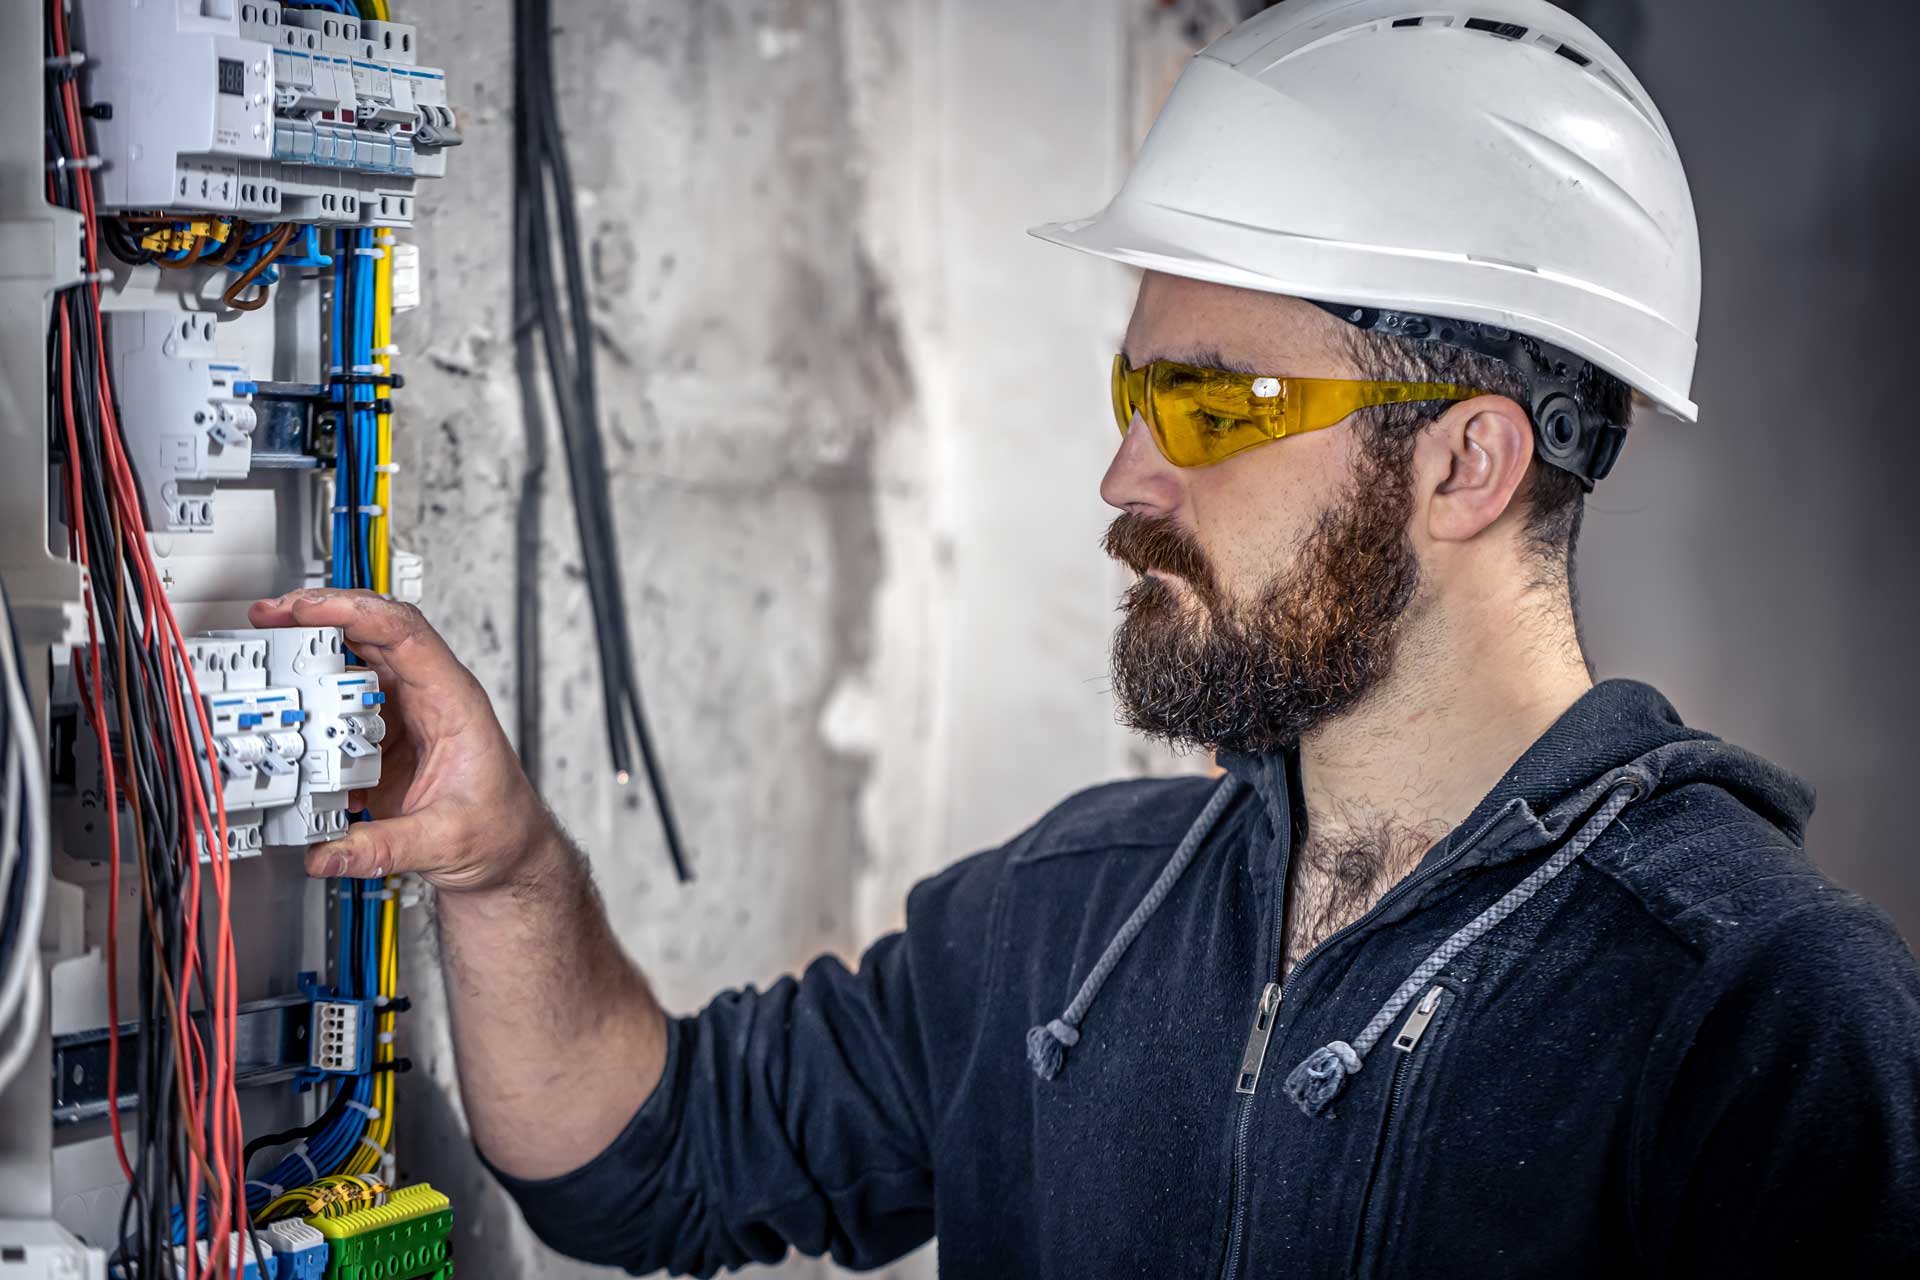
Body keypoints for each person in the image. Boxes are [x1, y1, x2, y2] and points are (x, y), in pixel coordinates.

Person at [250, 0, 1920, 1274]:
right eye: (1137, 387)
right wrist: (502, 865)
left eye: (1207, 401)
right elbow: (644, 1155)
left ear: (1464, 461)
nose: (1123, 471)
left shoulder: (1757, 1014)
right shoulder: (1078, 916)